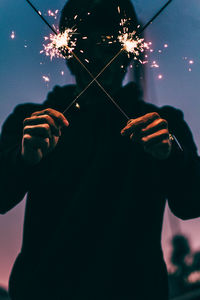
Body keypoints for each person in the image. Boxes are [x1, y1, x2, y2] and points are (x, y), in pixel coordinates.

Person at [1, 0, 200, 299]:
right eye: (85, 45)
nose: (96, 58)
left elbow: (190, 203)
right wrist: (22, 158)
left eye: (108, 46)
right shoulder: (30, 122)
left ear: (128, 52)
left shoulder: (164, 125)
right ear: (67, 51)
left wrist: (170, 153)